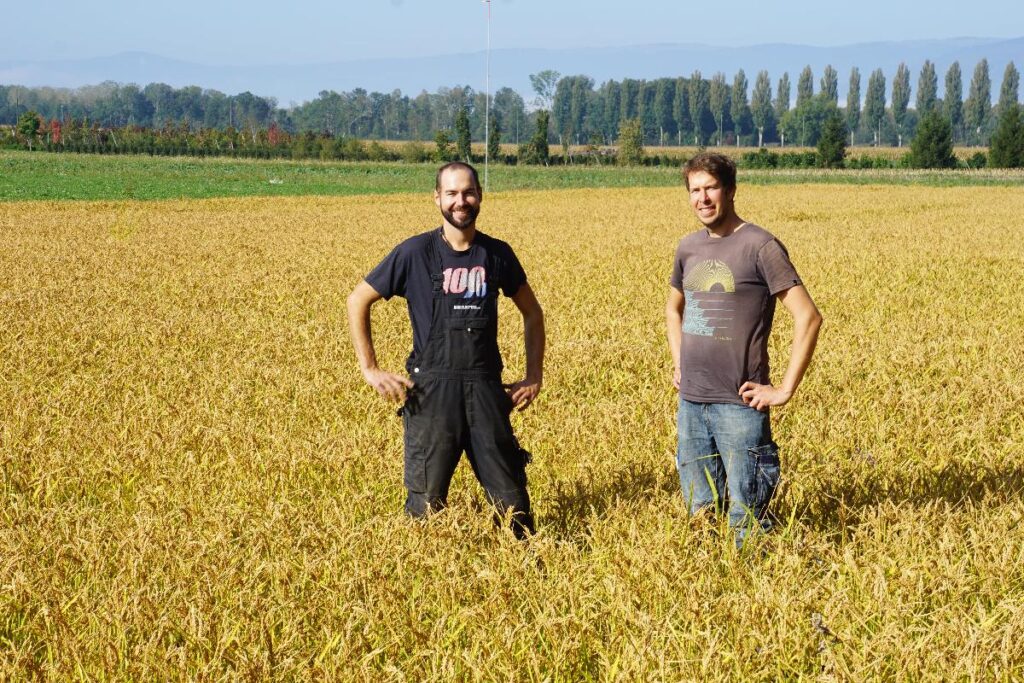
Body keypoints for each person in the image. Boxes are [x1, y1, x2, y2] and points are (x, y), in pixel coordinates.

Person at [347, 161, 545, 538]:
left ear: (480, 196)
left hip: (486, 391)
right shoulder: (414, 252)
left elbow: (533, 314)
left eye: (468, 192)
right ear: (437, 198)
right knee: (425, 505)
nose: (460, 201)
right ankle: (428, 567)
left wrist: (533, 375)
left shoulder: (498, 254)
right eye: (452, 193)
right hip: (432, 395)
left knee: (513, 503)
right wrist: (369, 368)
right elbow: (358, 300)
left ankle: (525, 561)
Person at [665, 152, 822, 544]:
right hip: (691, 406)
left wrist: (784, 390)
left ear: (731, 190)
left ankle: (756, 578)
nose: (702, 198)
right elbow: (673, 308)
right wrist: (679, 361)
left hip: (739, 407)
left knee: (747, 520)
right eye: (694, 190)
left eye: (711, 188)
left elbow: (809, 317)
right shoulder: (688, 248)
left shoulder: (760, 246)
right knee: (701, 516)